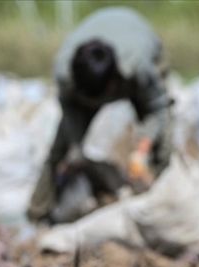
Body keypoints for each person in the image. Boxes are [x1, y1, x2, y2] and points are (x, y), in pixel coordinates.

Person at [28, 7, 173, 222]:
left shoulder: (138, 65)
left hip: (138, 40)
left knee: (162, 140)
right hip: (89, 83)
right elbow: (69, 112)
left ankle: (165, 204)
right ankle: (38, 213)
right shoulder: (65, 73)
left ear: (113, 84)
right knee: (60, 149)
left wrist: (142, 149)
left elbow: (158, 108)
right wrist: (77, 147)